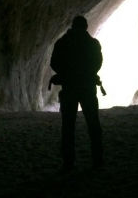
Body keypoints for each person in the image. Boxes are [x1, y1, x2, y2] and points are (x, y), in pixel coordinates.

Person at [49, 16, 104, 172]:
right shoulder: (92, 44)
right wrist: (87, 73)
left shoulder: (62, 43)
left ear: (72, 26)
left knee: (68, 126)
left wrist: (66, 73)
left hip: (69, 88)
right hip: (87, 87)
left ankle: (68, 162)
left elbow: (54, 63)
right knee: (93, 124)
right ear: (85, 27)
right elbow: (98, 62)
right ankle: (97, 159)